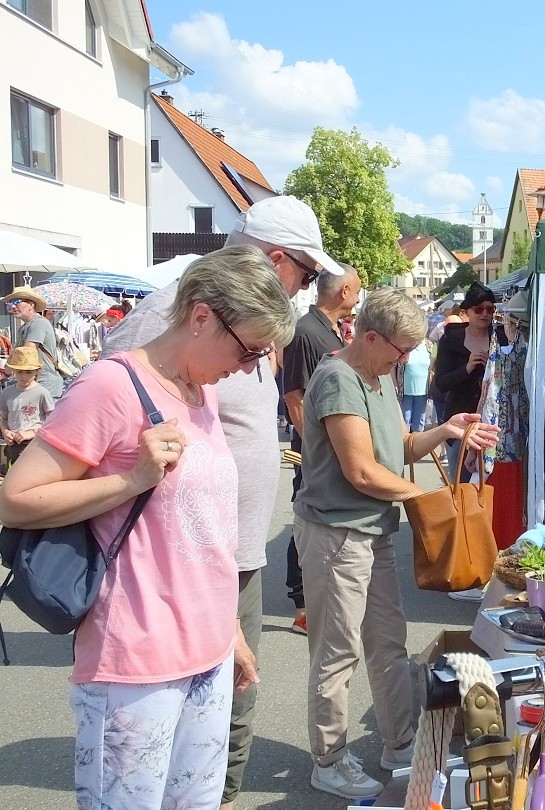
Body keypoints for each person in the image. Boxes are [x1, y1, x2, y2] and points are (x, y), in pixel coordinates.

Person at [0, 247, 296, 809]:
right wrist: (133, 477)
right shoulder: (110, 387)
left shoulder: (200, 392)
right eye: (249, 349)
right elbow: (15, 501)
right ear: (202, 315)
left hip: (205, 653)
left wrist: (228, 628)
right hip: (136, 662)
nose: (250, 366)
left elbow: (203, 531)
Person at [103, 195, 344, 810]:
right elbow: (114, 399)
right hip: (185, 550)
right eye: (307, 274)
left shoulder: (251, 316)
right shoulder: (174, 309)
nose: (304, 287)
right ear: (278, 258)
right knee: (215, 690)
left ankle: (214, 793)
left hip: (231, 543)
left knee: (231, 687)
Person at [293, 288, 497, 800]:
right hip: (337, 534)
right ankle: (329, 760)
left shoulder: (377, 376)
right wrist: (424, 499)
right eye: (400, 349)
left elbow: (402, 447)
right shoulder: (339, 379)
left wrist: (446, 430)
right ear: (370, 336)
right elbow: (361, 470)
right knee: (337, 653)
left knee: (387, 645)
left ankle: (399, 743)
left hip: (372, 532)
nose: (405, 361)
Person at [282, 265, 362, 635]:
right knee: (306, 519)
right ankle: (302, 606)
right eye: (358, 288)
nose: (359, 296)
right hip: (314, 451)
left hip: (330, 449)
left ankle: (318, 597)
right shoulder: (303, 331)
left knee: (323, 521)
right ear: (344, 290)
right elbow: (294, 396)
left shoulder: (328, 329)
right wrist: (315, 446)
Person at [434, 283, 497, 479]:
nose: (485, 314)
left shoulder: (499, 337)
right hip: (459, 422)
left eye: (490, 309)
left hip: (490, 422)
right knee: (460, 485)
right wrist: (466, 369)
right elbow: (442, 383)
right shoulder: (451, 339)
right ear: (467, 311)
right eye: (479, 309)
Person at [1, 286, 64, 399]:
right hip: (34, 383)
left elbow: (27, 352)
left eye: (17, 302)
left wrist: (7, 371)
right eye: (10, 304)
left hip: (45, 384)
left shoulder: (38, 323)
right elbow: (17, 353)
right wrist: (6, 372)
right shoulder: (25, 326)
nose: (13, 307)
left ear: (31, 305)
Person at [0, 345, 55, 470]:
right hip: (13, 443)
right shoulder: (7, 393)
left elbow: (53, 421)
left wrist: (31, 433)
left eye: (29, 372)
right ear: (13, 370)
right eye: (19, 371)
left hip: (35, 443)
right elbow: (3, 418)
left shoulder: (42, 393)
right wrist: (5, 431)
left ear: (37, 371)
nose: (24, 376)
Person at [400, 337, 432, 432]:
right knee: (404, 421)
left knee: (419, 424)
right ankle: (404, 445)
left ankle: (416, 445)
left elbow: (432, 366)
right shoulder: (406, 344)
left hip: (423, 392)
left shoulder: (428, 345)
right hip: (405, 392)